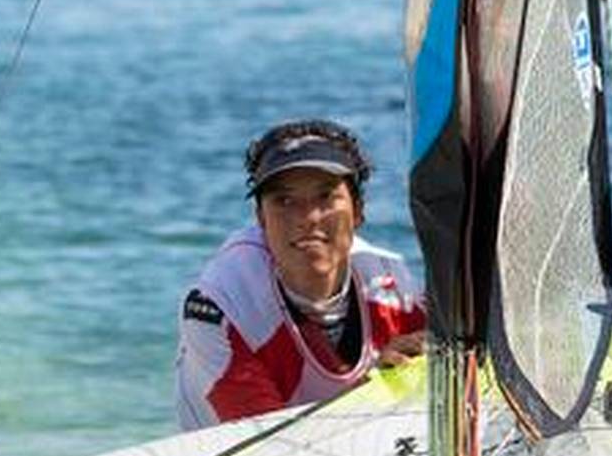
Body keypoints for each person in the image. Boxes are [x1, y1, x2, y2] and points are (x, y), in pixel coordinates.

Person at [175, 119, 427, 429]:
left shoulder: (391, 284)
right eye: (284, 201)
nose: (307, 218)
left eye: (325, 196)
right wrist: (374, 386)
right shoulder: (220, 306)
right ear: (260, 218)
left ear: (358, 211)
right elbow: (264, 443)